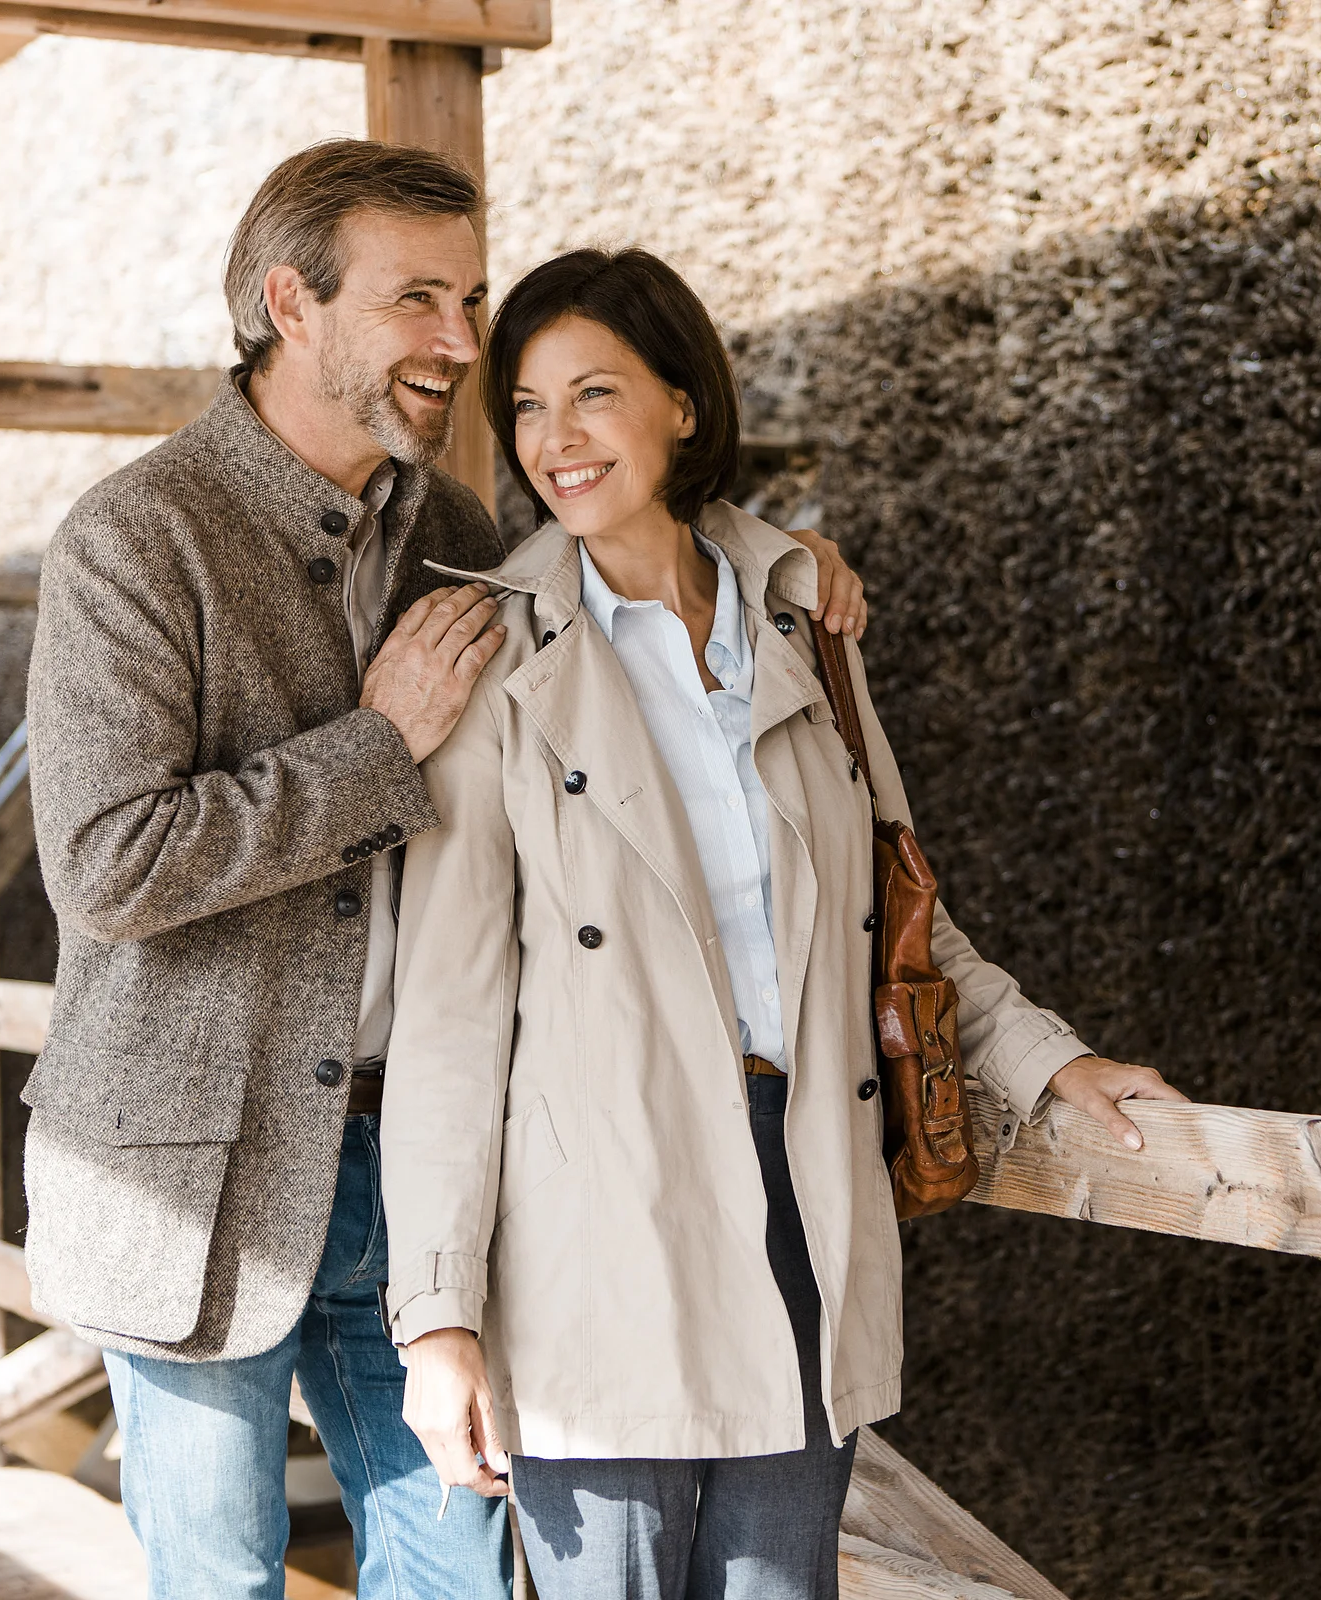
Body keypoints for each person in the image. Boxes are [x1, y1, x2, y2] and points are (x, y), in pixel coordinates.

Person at [22, 147, 867, 1600]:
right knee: (220, 1580)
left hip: (428, 1180)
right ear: (294, 302)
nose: (464, 346)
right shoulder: (136, 536)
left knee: (463, 1581)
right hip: (191, 1173)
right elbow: (107, 867)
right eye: (420, 298)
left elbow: (635, 543)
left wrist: (777, 558)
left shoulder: (463, 541)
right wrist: (376, 746)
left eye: (470, 297)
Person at [379, 247, 1184, 1600]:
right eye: (526, 406)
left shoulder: (809, 626)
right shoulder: (497, 660)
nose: (556, 440)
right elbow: (451, 1018)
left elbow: (902, 918)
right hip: (599, 1224)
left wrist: (1052, 1060)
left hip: (805, 1183)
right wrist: (439, 1320)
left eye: (594, 394)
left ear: (683, 404)